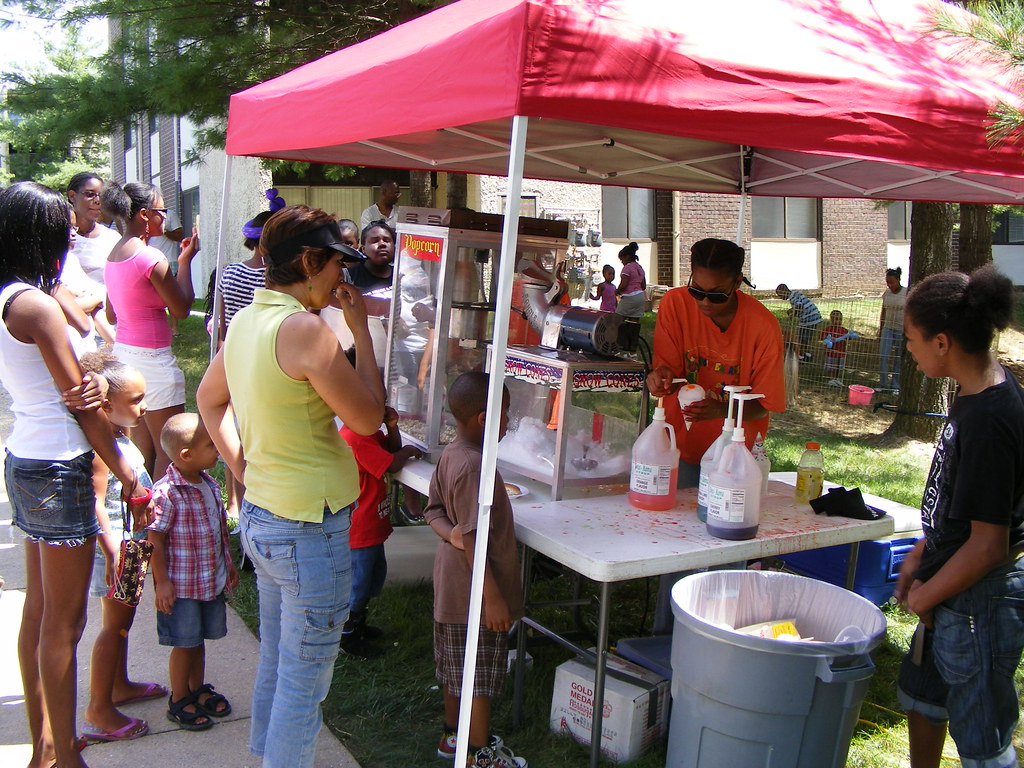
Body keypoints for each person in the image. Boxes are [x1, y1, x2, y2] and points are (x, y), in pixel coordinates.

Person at [196, 205, 385, 768]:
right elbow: (369, 419)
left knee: (280, 666)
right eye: (334, 265)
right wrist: (361, 333)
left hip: (265, 516)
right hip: (309, 529)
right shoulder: (305, 329)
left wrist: (244, 469)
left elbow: (209, 400)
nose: (340, 279)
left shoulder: (252, 317)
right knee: (305, 686)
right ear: (308, 262)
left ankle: (265, 755)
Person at [0, 181, 153, 768]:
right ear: (35, 232)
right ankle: (66, 755)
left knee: (40, 614)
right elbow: (82, 406)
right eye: (60, 225)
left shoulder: (20, 295)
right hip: (65, 465)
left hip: (27, 456)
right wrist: (129, 474)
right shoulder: (35, 304)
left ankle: (45, 746)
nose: (71, 231)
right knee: (64, 624)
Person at [894, 265, 1024, 768]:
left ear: (943, 342)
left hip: (981, 602)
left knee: (982, 738)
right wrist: (923, 551)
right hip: (951, 584)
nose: (908, 347)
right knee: (924, 698)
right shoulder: (974, 393)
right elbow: (961, 505)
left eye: (911, 338)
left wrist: (929, 592)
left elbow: (990, 544)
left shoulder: (992, 419)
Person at [646, 238, 785, 634]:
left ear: (738, 283)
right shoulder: (675, 304)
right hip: (681, 446)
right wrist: (658, 379)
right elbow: (667, 372)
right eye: (697, 291)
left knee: (727, 549)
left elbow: (765, 404)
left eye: (716, 295)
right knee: (679, 546)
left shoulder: (762, 327)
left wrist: (723, 409)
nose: (704, 303)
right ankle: (666, 637)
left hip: (733, 460)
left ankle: (719, 636)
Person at [424, 371, 526, 768]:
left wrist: (452, 535)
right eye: (506, 414)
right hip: (474, 593)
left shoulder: (452, 454)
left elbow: (432, 510)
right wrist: (494, 597)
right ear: (485, 419)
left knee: (455, 668)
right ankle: (477, 754)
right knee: (477, 679)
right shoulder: (472, 469)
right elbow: (476, 541)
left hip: (453, 586)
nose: (508, 423)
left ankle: (453, 735)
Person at [80, 349, 165, 743]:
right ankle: (99, 708)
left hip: (132, 545)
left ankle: (119, 686)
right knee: (113, 626)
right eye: (135, 400)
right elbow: (95, 502)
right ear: (107, 405)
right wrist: (112, 550)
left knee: (123, 623)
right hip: (117, 550)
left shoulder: (118, 436)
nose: (144, 406)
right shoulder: (102, 450)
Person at [103, 182, 200, 480]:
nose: (165, 218)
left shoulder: (114, 254)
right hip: (153, 360)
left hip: (125, 355)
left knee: (143, 452)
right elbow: (182, 309)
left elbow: (110, 313)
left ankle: (142, 519)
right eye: (162, 211)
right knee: (171, 452)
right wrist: (185, 263)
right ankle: (163, 518)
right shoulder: (150, 258)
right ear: (144, 214)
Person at [148, 413, 237, 732]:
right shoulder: (167, 492)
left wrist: (228, 566)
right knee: (184, 643)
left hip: (208, 581)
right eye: (211, 445)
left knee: (198, 640)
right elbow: (154, 540)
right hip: (181, 587)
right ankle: (179, 698)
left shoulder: (208, 483)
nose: (217, 450)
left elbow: (218, 531)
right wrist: (162, 583)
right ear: (186, 454)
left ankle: (196, 690)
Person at [338, 402, 423, 657]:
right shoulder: (356, 438)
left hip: (372, 525)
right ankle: (347, 635)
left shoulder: (367, 433)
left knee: (372, 576)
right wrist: (408, 450)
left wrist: (392, 427)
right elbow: (392, 463)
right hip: (360, 528)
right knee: (358, 583)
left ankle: (359, 624)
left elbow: (391, 449)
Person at [64, 172, 120, 344]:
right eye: (90, 194)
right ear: (72, 196)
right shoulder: (61, 239)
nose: (97, 200)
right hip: (73, 324)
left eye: (100, 196)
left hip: (108, 324)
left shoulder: (113, 238)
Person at [775, 283, 822, 361]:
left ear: (784, 291)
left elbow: (799, 307)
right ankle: (807, 354)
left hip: (809, 318)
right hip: (813, 316)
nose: (780, 297)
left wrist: (792, 314)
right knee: (806, 338)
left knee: (801, 338)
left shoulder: (793, 298)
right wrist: (791, 310)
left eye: (780, 295)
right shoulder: (795, 294)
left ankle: (801, 356)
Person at [614, 242, 646, 352]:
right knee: (634, 325)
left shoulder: (627, 268)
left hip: (629, 297)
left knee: (618, 321)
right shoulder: (639, 267)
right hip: (640, 297)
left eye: (622, 259)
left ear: (627, 256)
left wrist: (617, 291)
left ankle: (618, 346)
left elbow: (624, 284)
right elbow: (643, 285)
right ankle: (632, 349)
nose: (622, 262)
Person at [880, 266, 907, 393]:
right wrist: (881, 328)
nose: (889, 285)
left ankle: (895, 385)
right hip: (888, 328)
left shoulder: (906, 293)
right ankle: (883, 384)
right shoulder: (887, 294)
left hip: (900, 329)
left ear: (898, 280)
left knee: (898, 357)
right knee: (883, 356)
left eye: (892, 282)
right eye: (887, 282)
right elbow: (883, 310)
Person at [820, 309, 849, 387]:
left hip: (840, 353)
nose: (838, 321)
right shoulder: (828, 329)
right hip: (830, 353)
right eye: (836, 319)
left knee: (838, 367)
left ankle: (836, 378)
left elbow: (848, 337)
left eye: (840, 319)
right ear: (831, 320)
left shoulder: (844, 330)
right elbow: (822, 337)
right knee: (830, 366)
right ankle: (831, 379)